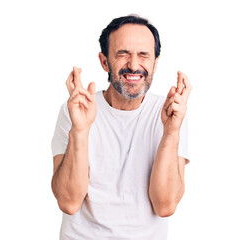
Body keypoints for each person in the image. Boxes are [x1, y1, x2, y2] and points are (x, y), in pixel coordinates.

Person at [51, 15, 191, 240]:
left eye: (144, 55)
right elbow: (68, 202)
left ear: (155, 62)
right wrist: (80, 130)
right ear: (104, 61)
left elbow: (165, 205)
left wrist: (171, 132)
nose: (134, 65)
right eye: (122, 54)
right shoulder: (77, 109)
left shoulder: (170, 112)